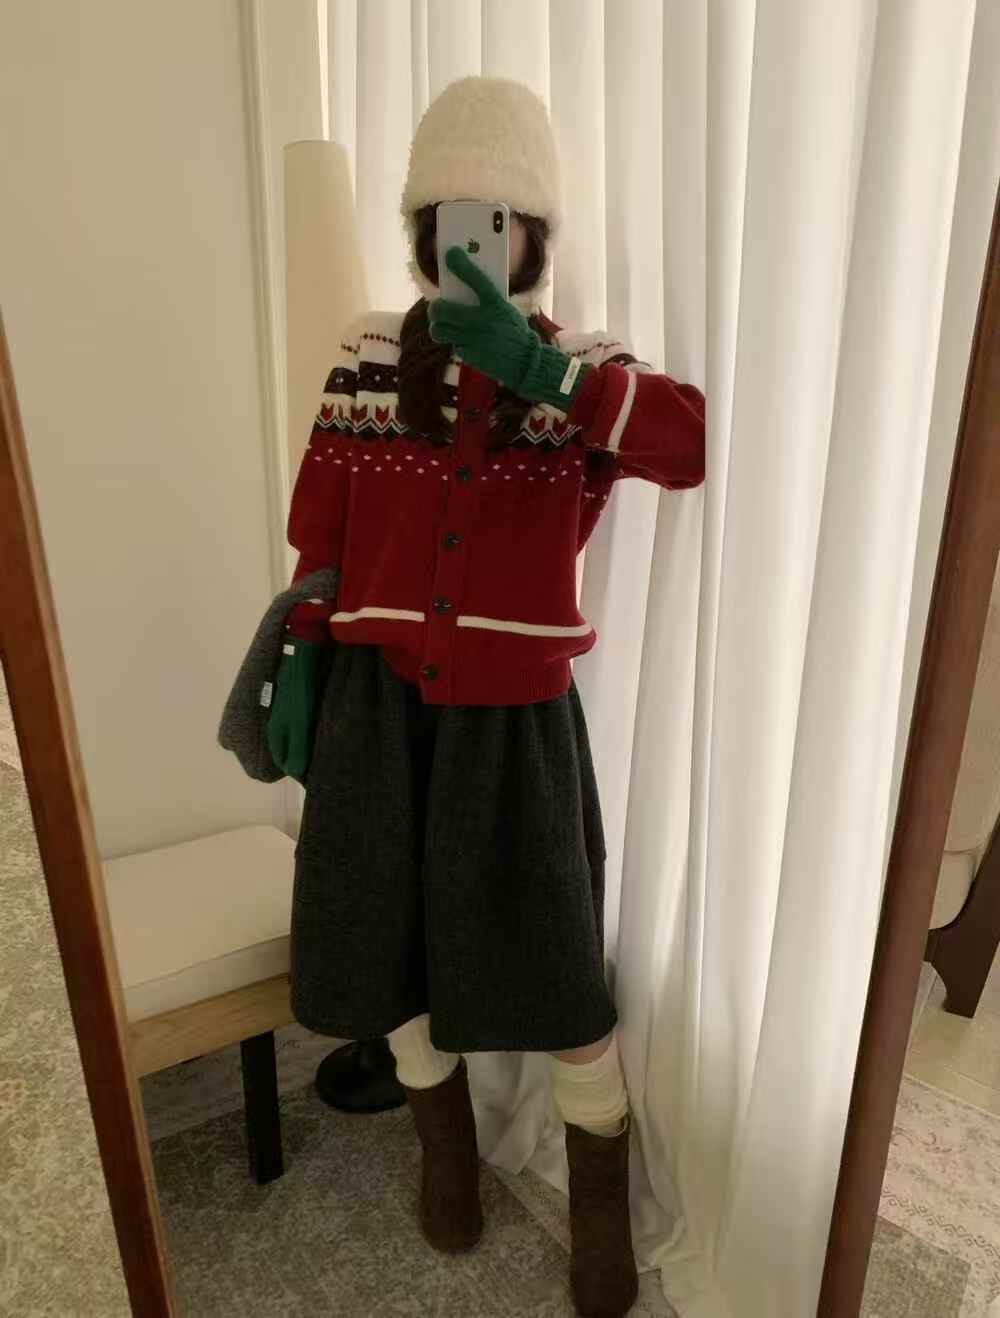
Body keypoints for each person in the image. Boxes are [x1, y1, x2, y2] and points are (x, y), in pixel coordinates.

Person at [268, 75, 705, 1318]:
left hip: (515, 724)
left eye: (503, 219)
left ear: (536, 235)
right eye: (457, 217)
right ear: (423, 229)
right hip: (374, 709)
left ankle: (600, 1213)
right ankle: (445, 1156)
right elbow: (322, 530)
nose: (479, 240)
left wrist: (542, 371)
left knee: (557, 974)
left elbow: (687, 444)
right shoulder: (367, 351)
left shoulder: (582, 367)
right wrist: (300, 654)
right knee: (389, 942)